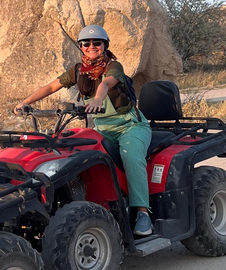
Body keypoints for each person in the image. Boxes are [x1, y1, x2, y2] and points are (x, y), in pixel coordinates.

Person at [14, 25, 153, 236]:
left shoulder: (114, 66)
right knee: (76, 153)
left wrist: (98, 99)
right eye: (86, 43)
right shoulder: (78, 71)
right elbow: (52, 86)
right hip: (103, 129)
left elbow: (106, 84)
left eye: (97, 43)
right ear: (81, 47)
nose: (91, 46)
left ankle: (142, 213)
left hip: (130, 126)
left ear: (105, 45)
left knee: (131, 155)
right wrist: (25, 101)